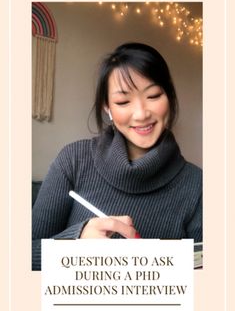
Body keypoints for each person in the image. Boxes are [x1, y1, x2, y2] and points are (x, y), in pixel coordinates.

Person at [32, 42, 202, 270]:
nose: (141, 114)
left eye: (153, 95)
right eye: (123, 102)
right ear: (107, 107)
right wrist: (73, 245)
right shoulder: (73, 160)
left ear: (169, 97)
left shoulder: (198, 186)